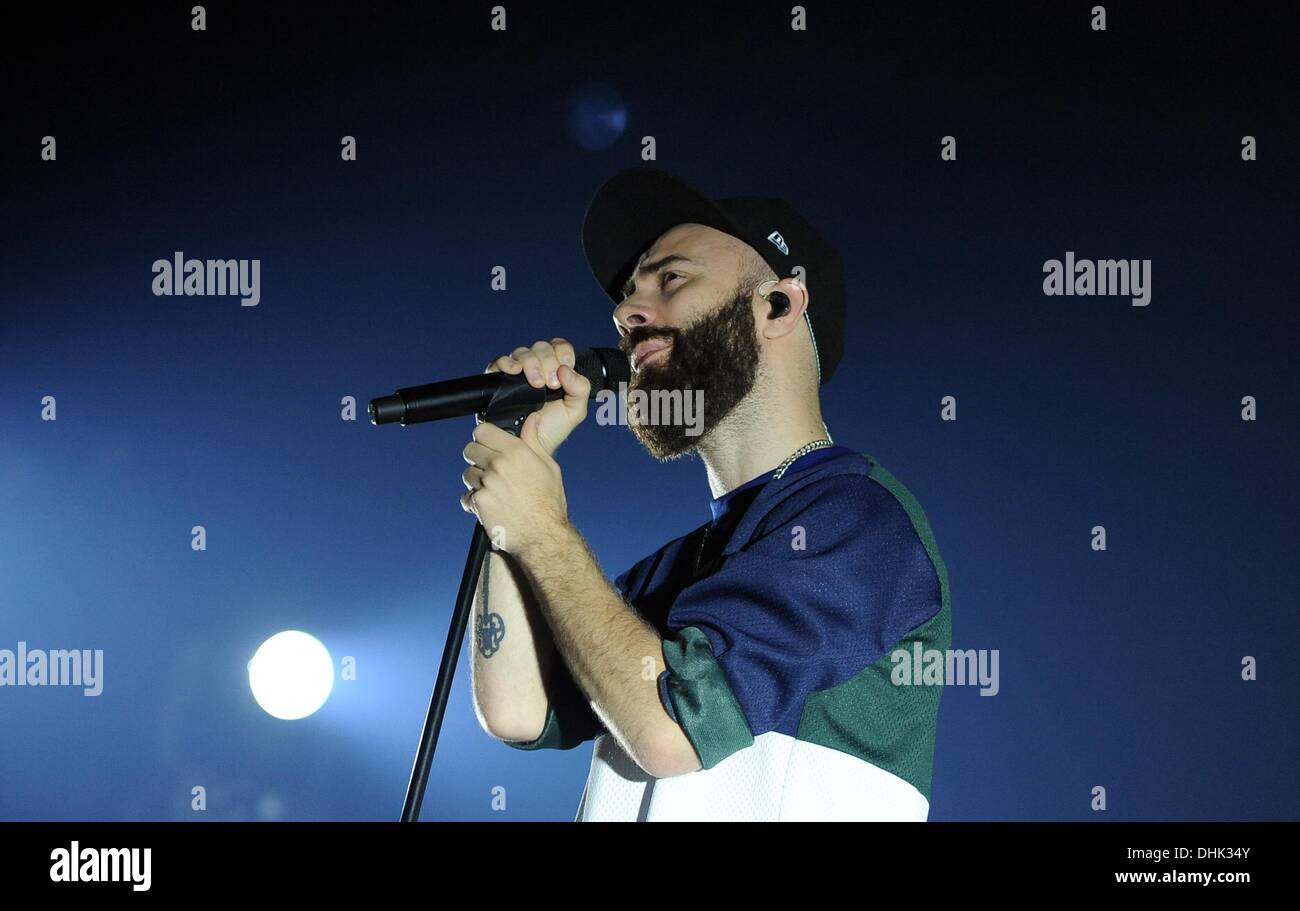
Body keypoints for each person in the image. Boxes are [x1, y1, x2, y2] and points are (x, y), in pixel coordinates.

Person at [462, 167, 951, 821]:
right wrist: (518, 457)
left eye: (671, 278)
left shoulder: (858, 520)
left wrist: (542, 530)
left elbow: (670, 728)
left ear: (779, 304)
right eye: (628, 296)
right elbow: (517, 708)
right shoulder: (681, 565)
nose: (625, 313)